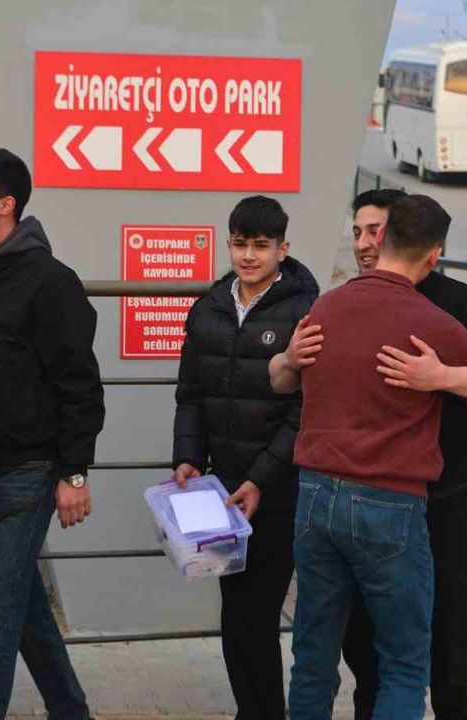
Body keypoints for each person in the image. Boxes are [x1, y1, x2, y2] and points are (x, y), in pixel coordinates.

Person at [289, 188, 467, 719]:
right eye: (357, 232)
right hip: (391, 499)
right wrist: (444, 376)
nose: (363, 242)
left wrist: (442, 377)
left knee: (320, 655)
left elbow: (287, 380)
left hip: (343, 496)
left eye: (372, 232)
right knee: (398, 662)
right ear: (432, 252)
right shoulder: (423, 319)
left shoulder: (334, 305)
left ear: (390, 239)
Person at [0, 147, 104, 720]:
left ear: (4, 205)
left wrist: (74, 472)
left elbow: (80, 385)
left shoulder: (50, 282)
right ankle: (71, 712)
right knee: (23, 605)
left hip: (31, 469)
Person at [171, 196, 318, 720]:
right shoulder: (209, 308)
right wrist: (189, 458)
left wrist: (261, 477)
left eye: (261, 245)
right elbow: (190, 395)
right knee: (236, 615)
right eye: (239, 244)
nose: (249, 255)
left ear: (283, 248)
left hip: (280, 490)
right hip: (222, 490)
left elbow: (305, 410)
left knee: (255, 614)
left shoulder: (306, 312)